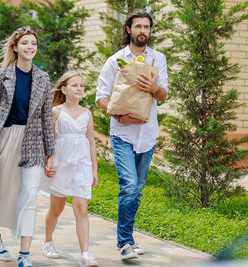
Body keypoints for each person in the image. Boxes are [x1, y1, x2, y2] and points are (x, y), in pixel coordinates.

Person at [0, 26, 54, 267]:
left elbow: (46, 119)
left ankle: (24, 255)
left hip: (32, 144)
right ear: (16, 47)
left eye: (34, 44)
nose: (30, 47)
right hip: (5, 139)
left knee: (30, 195)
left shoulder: (43, 78)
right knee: (2, 192)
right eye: (25, 43)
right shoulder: (0, 75)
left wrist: (50, 154)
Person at [95, 9, 169, 260]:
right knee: (128, 185)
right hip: (122, 133)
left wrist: (154, 87)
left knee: (136, 190)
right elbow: (101, 98)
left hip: (147, 134)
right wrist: (117, 115)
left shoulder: (158, 59)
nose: (142, 32)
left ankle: (126, 238)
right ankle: (125, 241)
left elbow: (164, 95)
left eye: (146, 27)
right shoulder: (115, 60)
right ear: (128, 29)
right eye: (138, 27)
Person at [40, 70, 99, 267]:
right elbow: (48, 140)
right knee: (56, 208)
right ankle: (48, 241)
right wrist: (47, 161)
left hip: (82, 166)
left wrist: (95, 171)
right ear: (64, 89)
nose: (79, 88)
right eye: (74, 85)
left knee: (82, 209)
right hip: (61, 165)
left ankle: (85, 253)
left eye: (81, 85)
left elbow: (91, 143)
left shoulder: (87, 113)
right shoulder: (56, 111)